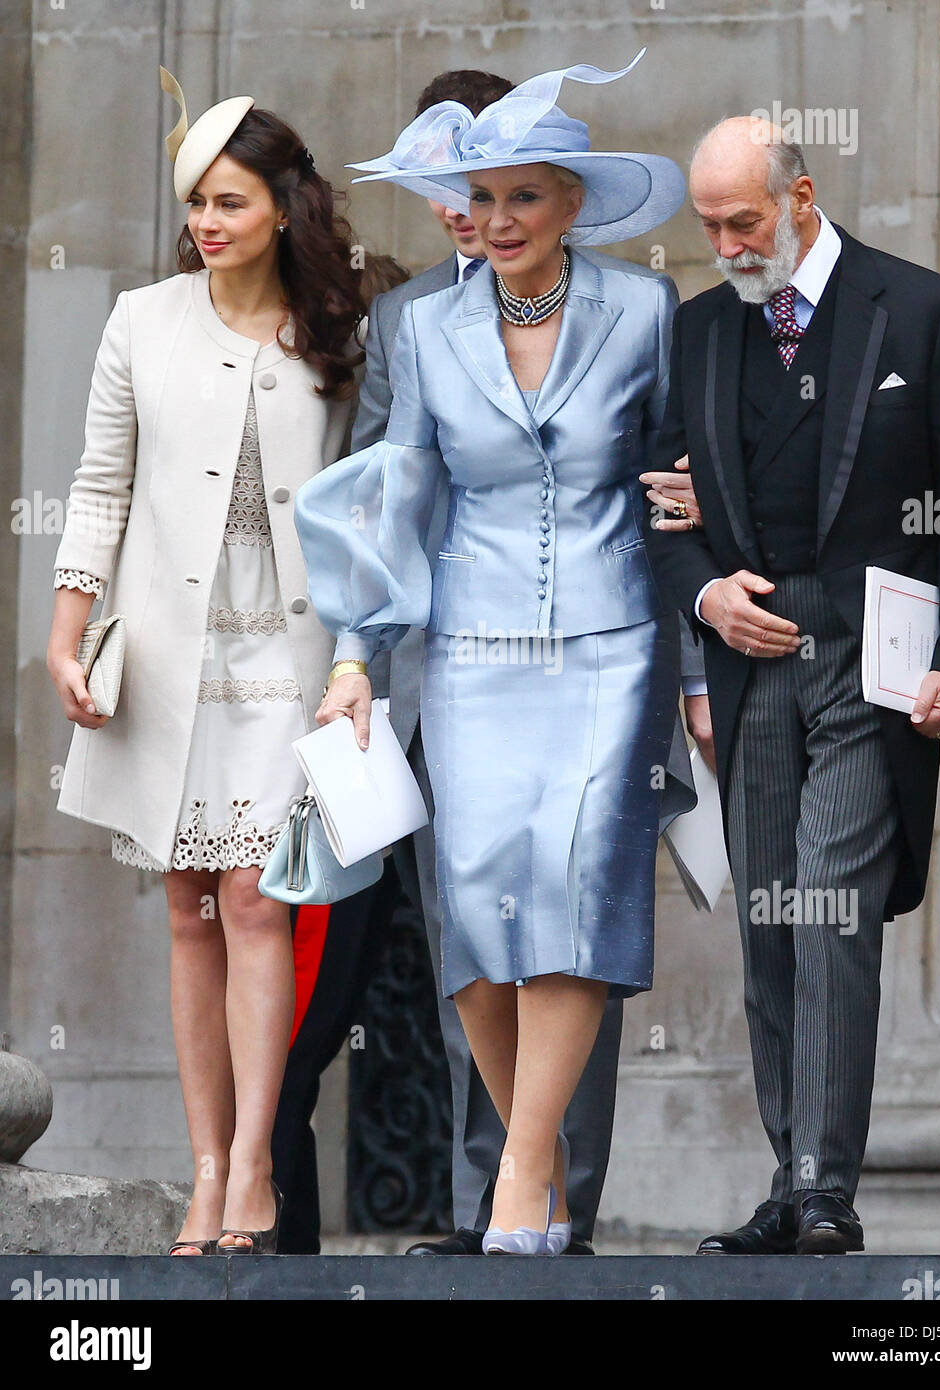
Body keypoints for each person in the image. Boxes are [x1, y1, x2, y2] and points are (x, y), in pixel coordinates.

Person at [295, 50, 694, 1255]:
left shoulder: (645, 309)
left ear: (574, 201)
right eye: (483, 196)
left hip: (609, 643)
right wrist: (358, 658)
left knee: (576, 894)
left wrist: (691, 670)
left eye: (527, 194)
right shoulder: (423, 329)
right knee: (479, 910)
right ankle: (539, 1176)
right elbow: (396, 496)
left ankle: (528, 1170)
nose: (500, 218)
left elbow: (681, 490)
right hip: (469, 646)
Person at [644, 117, 940, 1254]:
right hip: (751, 671)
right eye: (706, 226)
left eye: (742, 220)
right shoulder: (698, 332)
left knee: (833, 913)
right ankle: (789, 1180)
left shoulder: (926, 309)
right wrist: (706, 601)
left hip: (872, 666)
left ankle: (824, 1189)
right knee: (769, 927)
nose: (725, 244)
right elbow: (661, 511)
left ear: (801, 196)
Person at [46, 67, 366, 1255]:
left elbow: (369, 500)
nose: (208, 225)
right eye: (196, 206)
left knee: (255, 898)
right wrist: (67, 629)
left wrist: (360, 661)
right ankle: (203, 1165)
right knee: (187, 906)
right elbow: (97, 486)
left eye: (230, 203)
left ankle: (255, 1173)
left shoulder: (341, 327)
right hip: (167, 655)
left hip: (290, 652)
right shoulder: (141, 319)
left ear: (283, 205)